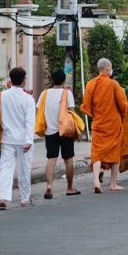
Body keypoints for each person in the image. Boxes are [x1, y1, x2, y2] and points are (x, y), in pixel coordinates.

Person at [81, 58, 128, 193]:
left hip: (98, 123)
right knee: (115, 153)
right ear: (107, 69)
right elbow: (122, 105)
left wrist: (95, 114)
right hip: (113, 124)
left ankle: (96, 179)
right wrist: (123, 114)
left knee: (97, 153)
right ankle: (113, 183)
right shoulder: (113, 84)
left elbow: (86, 106)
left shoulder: (91, 84)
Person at [37, 69, 80, 199]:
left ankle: (49, 186)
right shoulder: (67, 93)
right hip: (65, 131)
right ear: (63, 80)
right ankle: (70, 187)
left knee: (51, 158)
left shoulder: (44, 94)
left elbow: (39, 110)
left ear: (52, 79)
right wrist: (77, 131)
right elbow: (71, 113)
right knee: (68, 159)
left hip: (50, 131)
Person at [0, 67, 36, 210]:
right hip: (22, 140)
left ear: (11, 80)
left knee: (6, 169)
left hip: (7, 138)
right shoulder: (28, 99)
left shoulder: (2, 96)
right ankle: (25, 198)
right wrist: (29, 140)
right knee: (24, 169)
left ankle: (3, 198)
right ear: (23, 81)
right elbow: (29, 121)